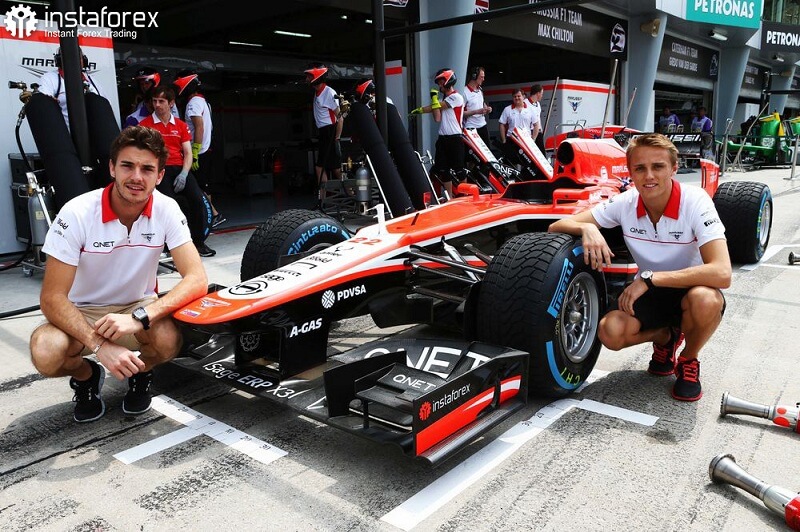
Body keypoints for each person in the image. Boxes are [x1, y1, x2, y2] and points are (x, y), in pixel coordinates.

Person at [29, 126, 208, 422]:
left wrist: (141, 316)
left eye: (147, 169)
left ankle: (140, 371)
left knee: (168, 340)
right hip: (82, 311)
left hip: (136, 307)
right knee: (46, 351)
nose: (137, 177)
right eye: (127, 165)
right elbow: (51, 298)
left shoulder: (167, 209)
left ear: (160, 176)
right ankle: (87, 376)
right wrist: (100, 346)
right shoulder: (77, 213)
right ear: (112, 168)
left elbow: (197, 279)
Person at [547, 133, 731, 402]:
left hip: (690, 289)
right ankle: (665, 337)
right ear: (630, 171)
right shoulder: (626, 202)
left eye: (658, 167)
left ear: (674, 168)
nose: (649, 176)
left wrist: (649, 279)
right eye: (640, 168)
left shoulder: (696, 201)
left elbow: (722, 273)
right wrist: (587, 228)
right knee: (610, 332)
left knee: (706, 299)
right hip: (649, 291)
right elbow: (556, 226)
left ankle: (688, 359)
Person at [139, 86, 216, 257]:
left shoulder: (180, 125)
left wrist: (184, 174)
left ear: (171, 103)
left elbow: (187, 153)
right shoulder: (145, 125)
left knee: (197, 200)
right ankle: (171, 246)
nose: (157, 105)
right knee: (170, 205)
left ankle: (198, 243)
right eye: (154, 101)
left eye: (161, 101)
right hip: (159, 170)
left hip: (181, 168)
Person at [173, 70, 224, 228]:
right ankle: (212, 215)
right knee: (204, 186)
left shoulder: (193, 103)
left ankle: (212, 216)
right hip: (206, 149)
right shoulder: (202, 101)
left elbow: (199, 127)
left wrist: (194, 151)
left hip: (199, 152)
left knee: (199, 187)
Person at [410, 68, 466, 198]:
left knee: (459, 169)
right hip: (442, 138)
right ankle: (449, 198)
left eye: (441, 82)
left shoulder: (457, 97)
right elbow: (437, 118)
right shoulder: (441, 99)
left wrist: (423, 108)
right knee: (443, 170)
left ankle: (465, 196)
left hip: (455, 138)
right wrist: (431, 103)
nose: (439, 86)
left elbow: (438, 106)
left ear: (448, 81)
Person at [37, 47, 103, 130]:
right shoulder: (49, 78)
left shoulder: (91, 80)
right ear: (59, 60)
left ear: (84, 60)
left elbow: (105, 105)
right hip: (64, 135)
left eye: (78, 57)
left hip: (95, 133)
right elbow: (44, 106)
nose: (74, 61)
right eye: (70, 57)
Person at [305, 64, 343, 206]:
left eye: (309, 77)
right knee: (331, 168)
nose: (307, 79)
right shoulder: (318, 92)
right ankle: (325, 199)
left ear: (316, 78)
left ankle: (326, 199)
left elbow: (340, 117)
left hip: (329, 131)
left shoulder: (329, 93)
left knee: (330, 168)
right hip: (323, 132)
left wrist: (337, 137)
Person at [498, 88, 533, 162]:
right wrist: (504, 140)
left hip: (526, 140)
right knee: (511, 162)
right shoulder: (507, 109)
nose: (517, 98)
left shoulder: (530, 109)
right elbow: (501, 124)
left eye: (518, 96)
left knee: (527, 162)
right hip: (511, 140)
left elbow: (536, 124)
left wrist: (533, 139)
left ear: (523, 97)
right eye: (515, 96)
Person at [463, 66, 492, 147]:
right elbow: (460, 113)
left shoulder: (480, 89)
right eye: (481, 77)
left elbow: (482, 103)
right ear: (474, 76)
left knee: (487, 151)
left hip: (483, 125)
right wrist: (476, 111)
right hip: (470, 128)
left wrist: (487, 108)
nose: (483, 79)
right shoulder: (464, 92)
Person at [527, 84, 545, 152]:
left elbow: (538, 119)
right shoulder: (525, 103)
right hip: (530, 132)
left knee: (541, 153)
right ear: (538, 93)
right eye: (541, 94)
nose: (542, 96)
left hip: (538, 132)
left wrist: (541, 130)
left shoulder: (538, 104)